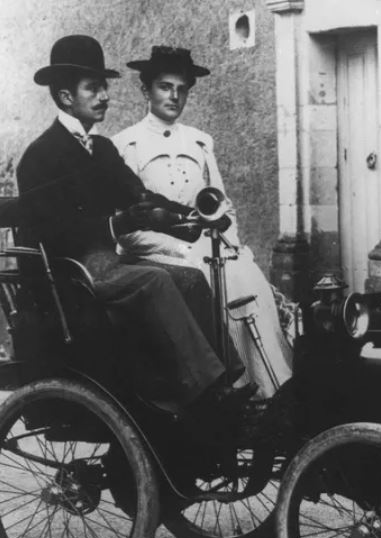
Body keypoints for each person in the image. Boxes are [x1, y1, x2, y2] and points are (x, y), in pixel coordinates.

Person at [15, 34, 254, 435]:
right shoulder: (41, 156)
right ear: (65, 96)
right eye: (94, 87)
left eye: (105, 86)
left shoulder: (102, 150)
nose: (105, 96)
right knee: (156, 278)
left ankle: (227, 380)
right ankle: (206, 389)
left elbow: (140, 195)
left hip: (107, 267)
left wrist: (190, 214)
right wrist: (118, 224)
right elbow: (50, 232)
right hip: (69, 275)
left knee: (192, 278)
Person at [112, 46, 292, 398]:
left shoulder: (199, 143)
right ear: (145, 90)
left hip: (205, 246)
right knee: (208, 276)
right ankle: (231, 386)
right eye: (165, 86)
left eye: (182, 88)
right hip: (158, 253)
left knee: (245, 274)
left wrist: (233, 244)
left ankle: (270, 390)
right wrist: (183, 249)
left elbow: (222, 206)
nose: (174, 96)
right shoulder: (126, 145)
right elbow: (129, 232)